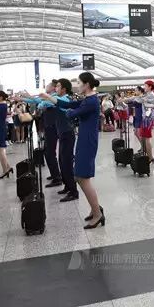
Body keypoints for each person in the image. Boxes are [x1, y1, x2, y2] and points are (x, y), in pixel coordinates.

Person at [41, 72, 105, 228]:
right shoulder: (87, 99)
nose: (77, 85)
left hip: (88, 141)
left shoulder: (91, 101)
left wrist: (64, 110)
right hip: (84, 139)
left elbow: (71, 112)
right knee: (80, 176)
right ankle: (95, 209)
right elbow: (67, 105)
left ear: (87, 84)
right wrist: (49, 98)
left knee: (82, 177)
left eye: (79, 83)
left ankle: (97, 213)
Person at [127, 80, 154, 161]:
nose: (144, 87)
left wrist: (128, 99)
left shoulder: (150, 95)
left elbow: (139, 100)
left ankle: (150, 157)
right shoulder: (147, 94)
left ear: (150, 87)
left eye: (145, 86)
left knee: (147, 138)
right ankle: (148, 155)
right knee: (143, 137)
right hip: (145, 118)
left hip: (148, 118)